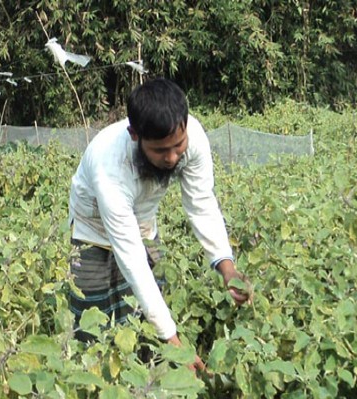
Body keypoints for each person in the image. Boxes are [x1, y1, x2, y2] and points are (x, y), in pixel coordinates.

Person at [68, 78, 251, 371]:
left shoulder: (193, 138)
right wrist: (175, 343)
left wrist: (227, 268)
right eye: (160, 151)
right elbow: (132, 260)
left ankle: (149, 379)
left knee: (147, 314)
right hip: (92, 228)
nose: (172, 157)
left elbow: (201, 203)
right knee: (92, 320)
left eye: (178, 146)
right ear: (134, 135)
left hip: (142, 224)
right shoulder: (109, 167)